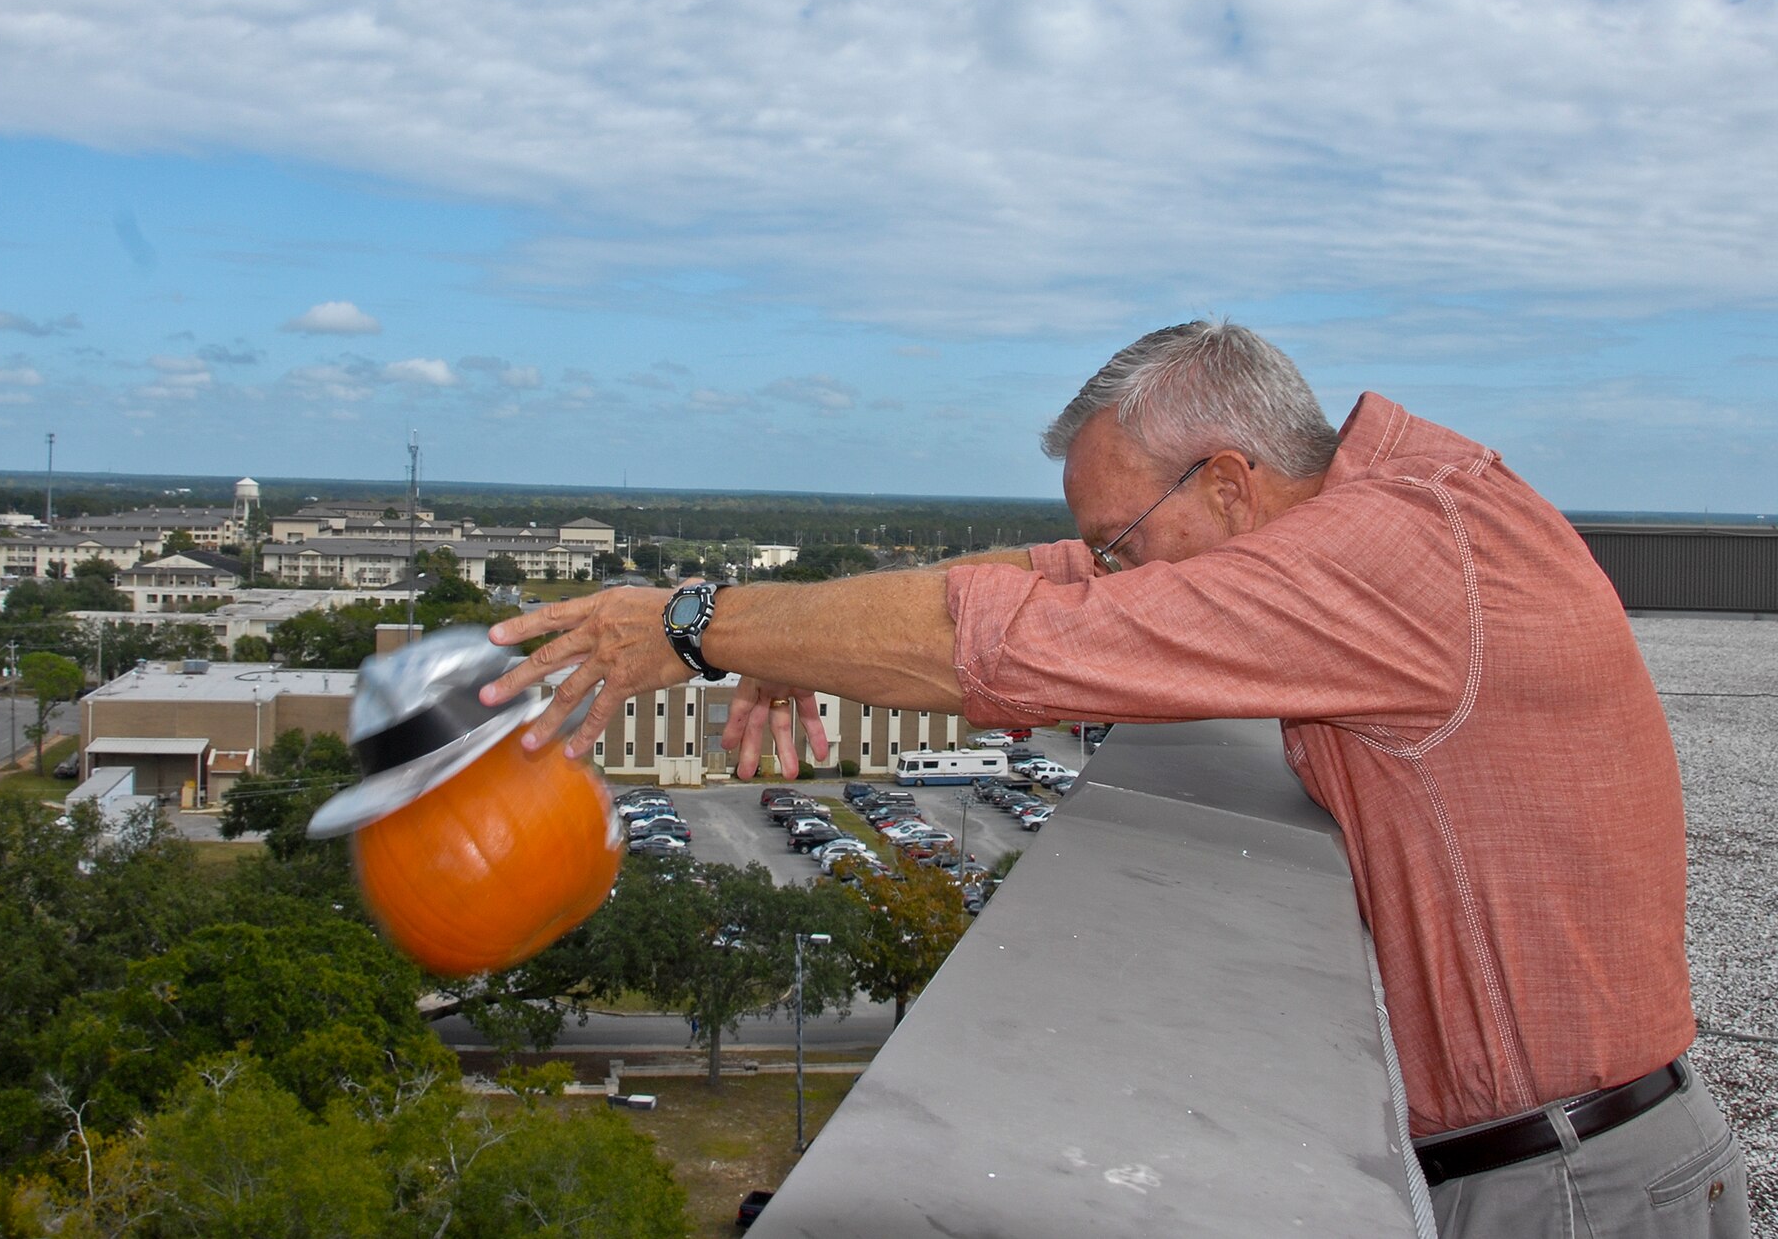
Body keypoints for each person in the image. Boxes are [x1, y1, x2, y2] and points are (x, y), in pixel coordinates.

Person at [482, 321, 1749, 1238]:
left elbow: (1036, 640)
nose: (1112, 564)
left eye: (1124, 535)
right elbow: (1063, 580)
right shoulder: (1373, 517)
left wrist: (702, 623)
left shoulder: (1390, 555)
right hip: (1557, 1160)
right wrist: (798, 631)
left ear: (1230, 480)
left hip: (1573, 1183)